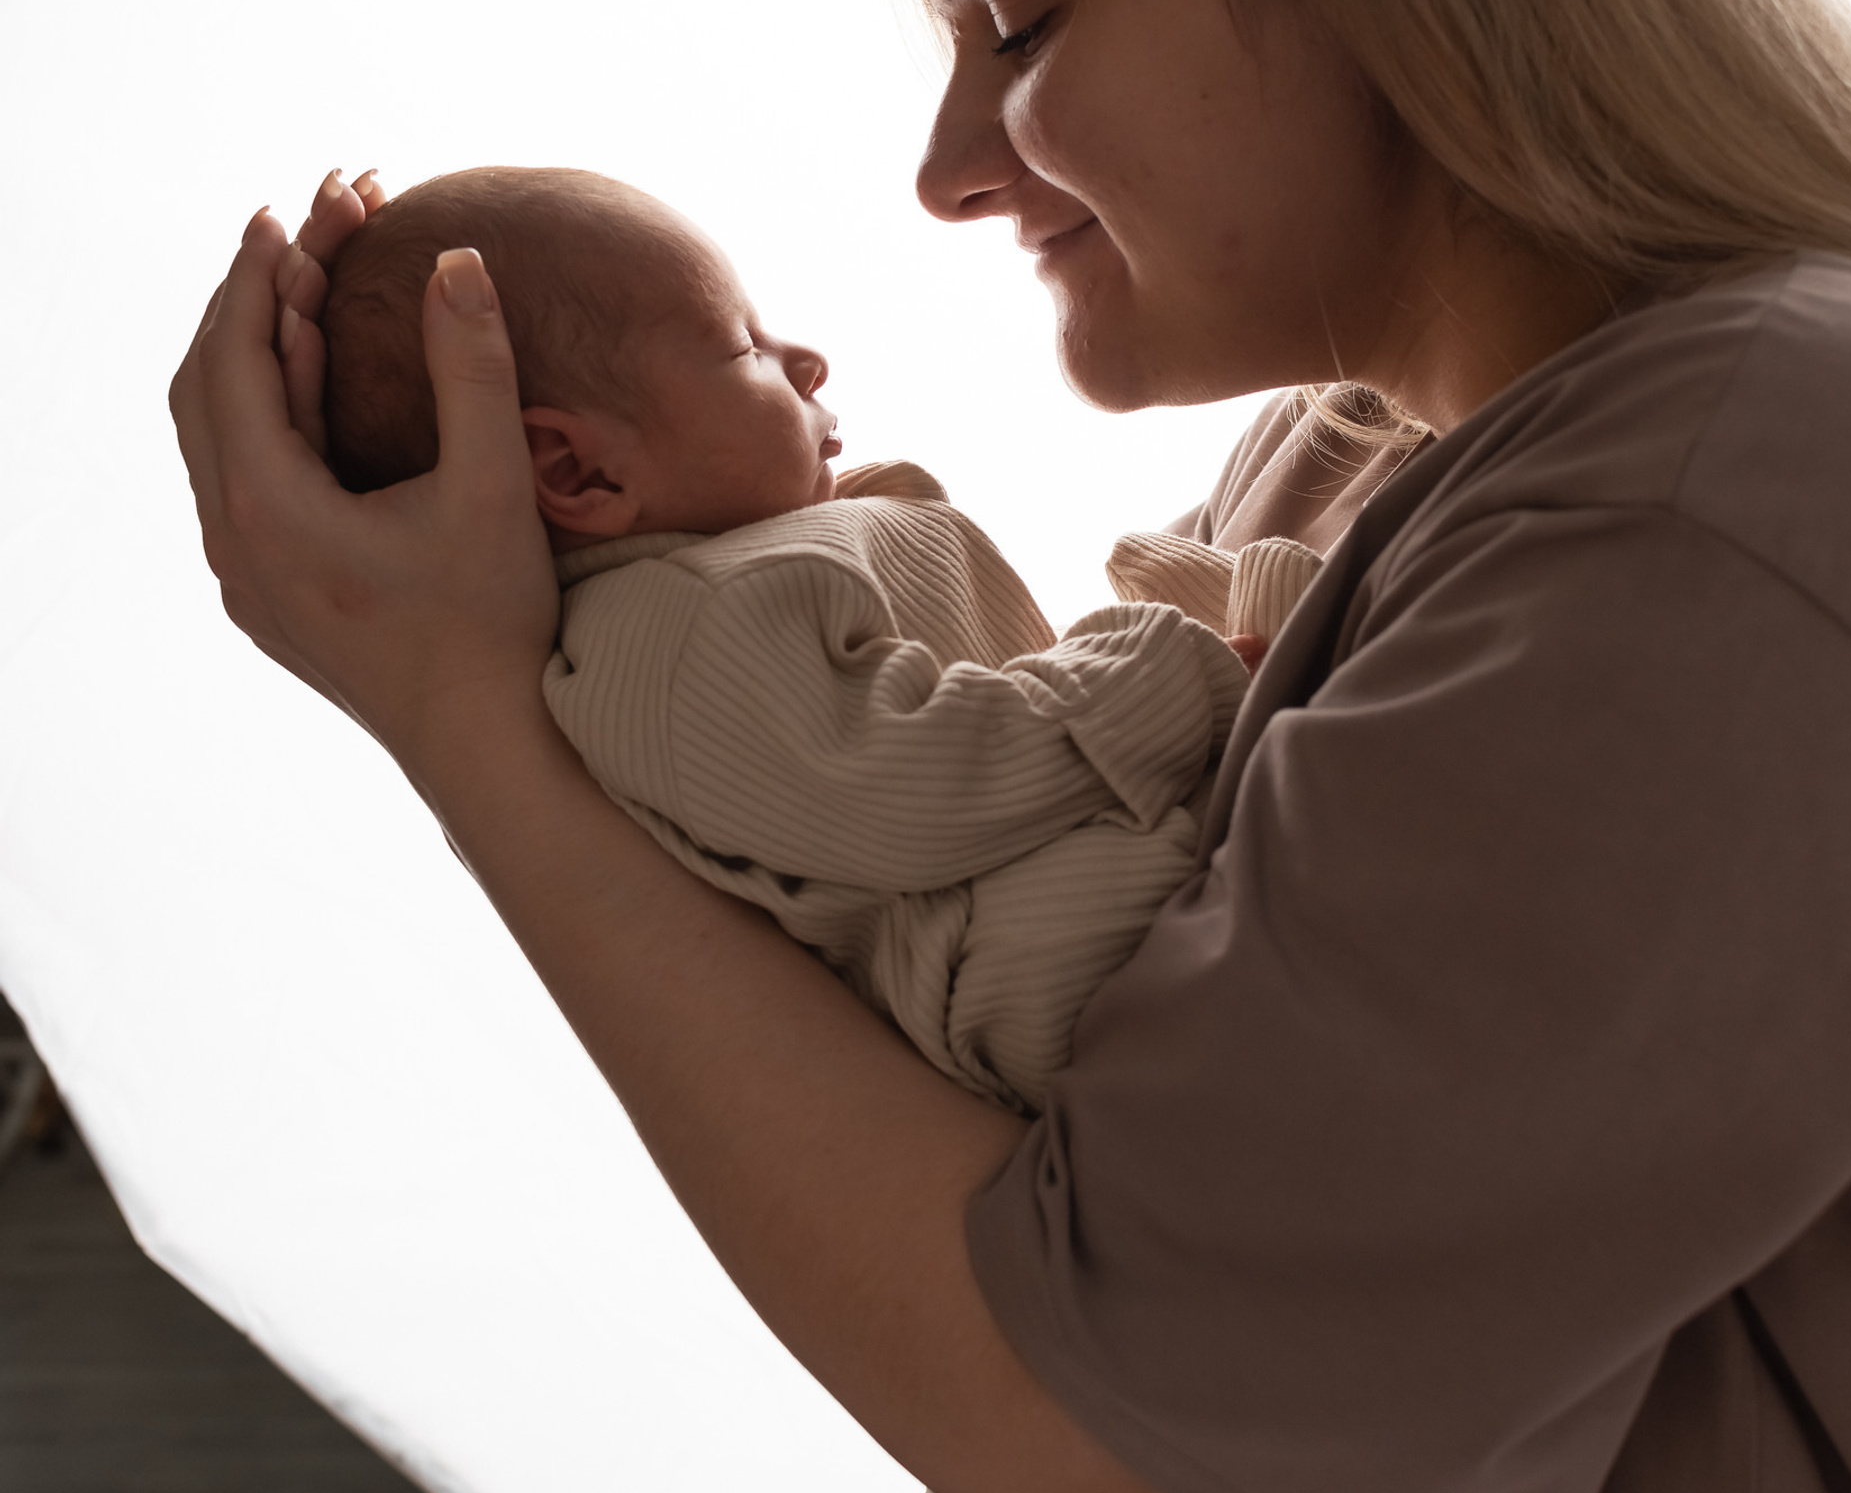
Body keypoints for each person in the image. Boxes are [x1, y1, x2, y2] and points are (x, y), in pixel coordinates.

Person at [172, 0, 1851, 1493]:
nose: (945, 170)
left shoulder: (1730, 496)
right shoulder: (1336, 484)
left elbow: (1100, 1423)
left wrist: (471, 732)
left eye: (1017, 21)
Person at [320, 164, 1311, 1114]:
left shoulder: (736, 575)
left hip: (1053, 855)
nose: (804, 360)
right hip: (1032, 962)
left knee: (1240, 604)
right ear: (579, 473)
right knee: (1266, 693)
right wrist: (1171, 678)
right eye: (743, 344)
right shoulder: (670, 635)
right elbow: (911, 787)